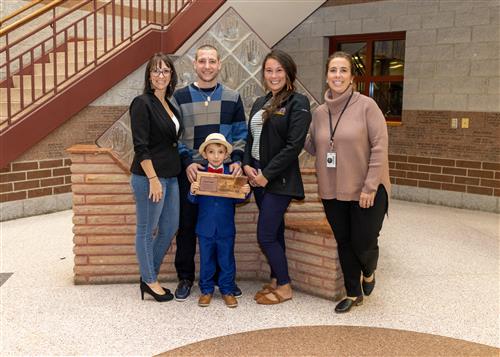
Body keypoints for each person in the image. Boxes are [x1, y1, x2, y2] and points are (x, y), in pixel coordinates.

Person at [304, 51, 390, 313]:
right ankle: (353, 292)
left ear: (352, 77)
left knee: (363, 241)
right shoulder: (319, 112)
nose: (337, 75)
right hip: (332, 190)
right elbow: (312, 146)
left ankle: (369, 270)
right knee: (344, 240)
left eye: (343, 70)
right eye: (333, 70)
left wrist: (369, 186)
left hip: (367, 189)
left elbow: (379, 147)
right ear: (326, 76)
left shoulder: (366, 106)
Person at [173, 44, 247, 301]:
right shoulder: (179, 97)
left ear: (219, 64)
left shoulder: (233, 97)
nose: (207, 66)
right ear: (194, 64)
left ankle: (223, 281)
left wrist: (236, 159)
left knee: (222, 229)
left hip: (223, 173)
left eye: (212, 61)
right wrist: (187, 162)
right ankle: (185, 277)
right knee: (186, 227)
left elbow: (240, 133)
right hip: (192, 172)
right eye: (202, 61)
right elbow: (175, 136)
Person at [242, 49, 312, 305]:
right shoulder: (261, 103)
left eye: (279, 70)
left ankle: (284, 286)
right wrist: (247, 166)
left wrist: (266, 175)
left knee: (265, 236)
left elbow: (293, 147)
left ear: (289, 73)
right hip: (257, 176)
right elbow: (252, 138)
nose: (274, 75)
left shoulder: (298, 102)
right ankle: (274, 278)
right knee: (276, 230)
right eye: (269, 70)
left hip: (278, 180)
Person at [129, 53, 183, 302]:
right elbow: (141, 147)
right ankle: (150, 280)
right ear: (149, 76)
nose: (161, 75)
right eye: (156, 71)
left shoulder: (170, 105)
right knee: (146, 229)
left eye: (165, 71)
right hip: (150, 177)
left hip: (171, 176)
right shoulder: (142, 103)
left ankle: (147, 274)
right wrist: (152, 179)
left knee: (170, 227)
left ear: (171, 76)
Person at [188, 133, 251, 308]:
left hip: (225, 228)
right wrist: (193, 191)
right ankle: (206, 290)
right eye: (212, 152)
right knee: (206, 261)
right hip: (205, 228)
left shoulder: (232, 174)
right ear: (205, 154)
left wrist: (246, 191)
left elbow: (238, 199)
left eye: (220, 152)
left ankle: (227, 290)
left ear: (226, 155)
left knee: (226, 260)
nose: (216, 156)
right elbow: (192, 201)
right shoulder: (200, 174)